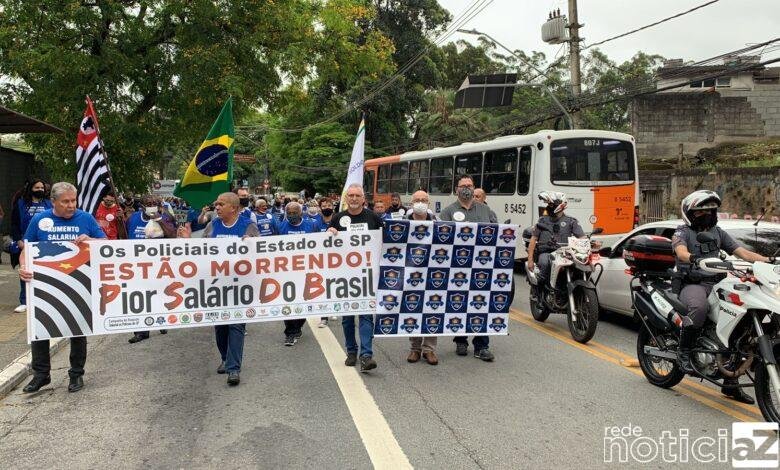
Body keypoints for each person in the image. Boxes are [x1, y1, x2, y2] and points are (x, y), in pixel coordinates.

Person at [673, 190, 769, 405]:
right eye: (701, 212)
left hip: (716, 282)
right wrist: (694, 258)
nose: (706, 215)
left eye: (710, 211)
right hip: (692, 283)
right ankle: (684, 352)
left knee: (739, 329)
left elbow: (743, 253)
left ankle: (730, 384)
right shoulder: (682, 232)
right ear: (690, 213)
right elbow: (680, 252)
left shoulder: (718, 232)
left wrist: (768, 260)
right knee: (699, 308)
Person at [19, 182, 106, 393]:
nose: (71, 205)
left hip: (78, 282)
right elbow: (26, 247)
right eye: (65, 201)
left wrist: (91, 239)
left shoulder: (86, 218)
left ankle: (76, 374)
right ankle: (41, 375)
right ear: (54, 202)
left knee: (77, 330)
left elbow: (106, 244)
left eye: (73, 200)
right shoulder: (40, 220)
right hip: (43, 284)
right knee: (40, 330)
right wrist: (22, 266)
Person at [179, 192, 259, 386]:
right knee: (221, 326)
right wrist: (188, 240)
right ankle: (225, 357)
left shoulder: (248, 225)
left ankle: (234, 368)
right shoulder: (212, 225)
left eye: (221, 204)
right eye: (216, 204)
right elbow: (202, 251)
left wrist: (252, 244)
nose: (217, 207)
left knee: (236, 325)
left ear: (233, 207)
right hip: (217, 285)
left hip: (240, 285)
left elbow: (259, 253)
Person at [327, 184, 384, 372]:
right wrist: (330, 233)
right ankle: (351, 351)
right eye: (350, 195)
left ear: (363, 199)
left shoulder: (373, 217)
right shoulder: (338, 218)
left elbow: (385, 240)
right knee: (347, 318)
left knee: (366, 315)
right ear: (346, 199)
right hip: (344, 276)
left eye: (356, 195)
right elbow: (325, 245)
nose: (353, 198)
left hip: (366, 275)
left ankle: (366, 355)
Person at [440, 175, 497, 361]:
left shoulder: (485, 210)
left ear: (474, 188)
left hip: (482, 268)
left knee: (481, 305)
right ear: (456, 189)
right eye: (463, 186)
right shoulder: (448, 212)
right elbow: (441, 239)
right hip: (457, 268)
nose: (466, 188)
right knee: (459, 304)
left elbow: (496, 235)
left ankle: (482, 345)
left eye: (469, 185)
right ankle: (461, 339)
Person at [126, 195, 176, 343]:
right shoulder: (133, 218)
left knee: (159, 294)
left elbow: (172, 236)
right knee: (139, 296)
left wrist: (159, 220)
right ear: (141, 206)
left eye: (155, 203)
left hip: (158, 264)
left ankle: (161, 321)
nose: (152, 205)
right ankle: (141, 332)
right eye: (149, 204)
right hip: (136, 264)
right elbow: (124, 236)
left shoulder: (165, 217)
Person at [276, 202, 319, 345]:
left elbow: (321, 245)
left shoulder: (311, 226)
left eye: (295, 212)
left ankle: (298, 325)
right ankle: (290, 332)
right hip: (286, 271)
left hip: (306, 271)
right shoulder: (280, 227)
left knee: (304, 300)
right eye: (289, 213)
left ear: (301, 213)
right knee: (287, 301)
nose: (292, 215)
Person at [406, 190, 439, 365]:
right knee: (413, 308)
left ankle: (429, 350)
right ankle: (415, 348)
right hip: (411, 273)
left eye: (424, 200)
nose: (420, 202)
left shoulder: (437, 223)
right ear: (411, 203)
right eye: (417, 200)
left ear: (429, 203)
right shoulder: (404, 223)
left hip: (433, 273)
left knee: (432, 309)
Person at [10, 179, 53, 313]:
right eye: (37, 187)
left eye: (42, 187)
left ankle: (45, 300)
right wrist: (18, 240)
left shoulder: (49, 204)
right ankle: (24, 301)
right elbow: (14, 223)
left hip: (45, 243)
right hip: (26, 243)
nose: (40, 189)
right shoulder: (21, 204)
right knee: (26, 272)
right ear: (30, 188)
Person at [526, 191, 585, 286]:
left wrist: (591, 243)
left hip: (565, 254)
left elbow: (582, 237)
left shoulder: (571, 221)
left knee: (578, 268)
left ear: (560, 205)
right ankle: (541, 289)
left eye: (551, 204)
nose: (549, 206)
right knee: (545, 263)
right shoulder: (542, 220)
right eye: (548, 204)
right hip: (546, 252)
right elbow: (533, 240)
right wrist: (530, 260)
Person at [316, 198, 336, 328]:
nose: (327, 207)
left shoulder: (338, 220)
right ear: (320, 208)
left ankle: (334, 308)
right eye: (324, 205)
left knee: (335, 285)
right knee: (323, 287)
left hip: (336, 259)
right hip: (320, 259)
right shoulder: (315, 223)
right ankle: (324, 317)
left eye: (329, 205)